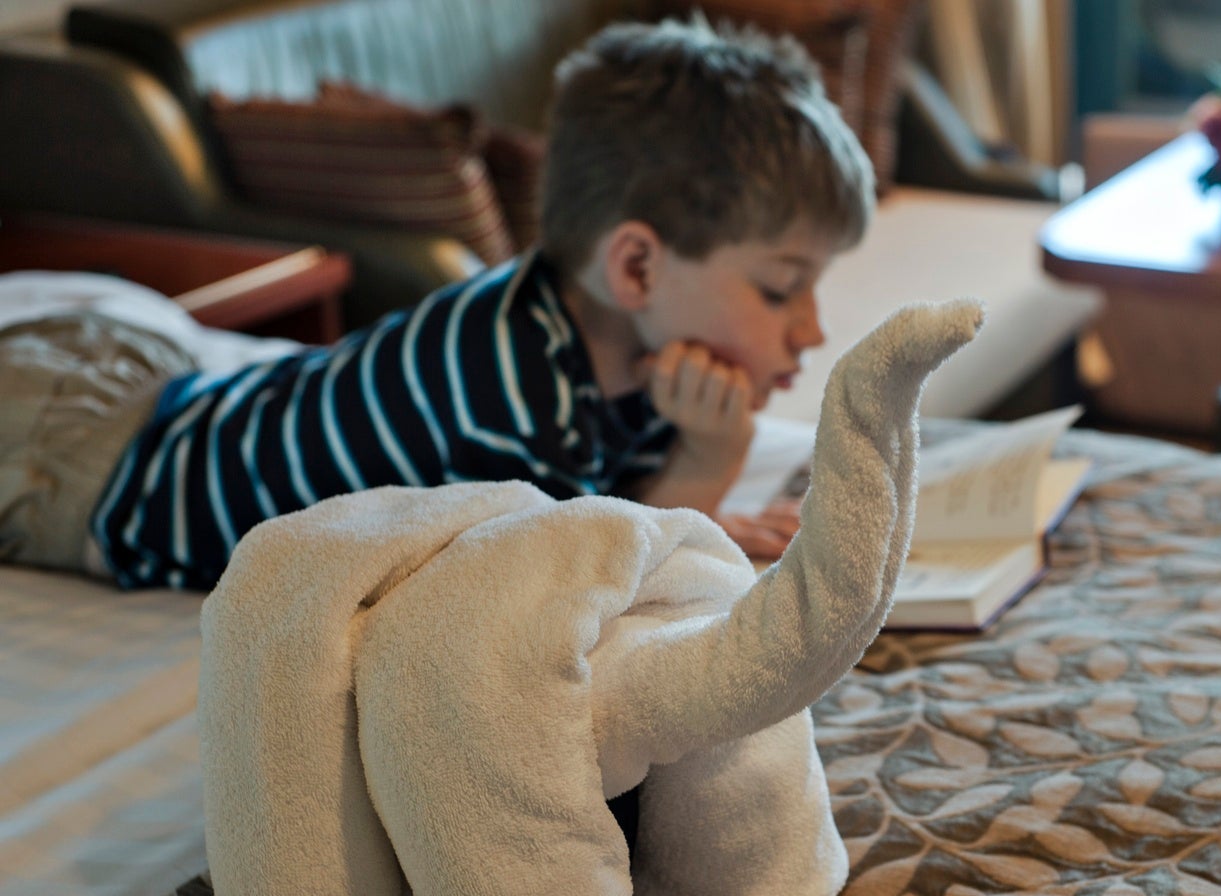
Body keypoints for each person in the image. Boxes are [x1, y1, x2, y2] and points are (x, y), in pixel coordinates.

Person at [0, 16, 873, 590]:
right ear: (637, 268)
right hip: (82, 463)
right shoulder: (509, 400)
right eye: (779, 287)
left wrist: (688, 496)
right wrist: (705, 467)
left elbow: (608, 504)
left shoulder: (623, 338)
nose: (811, 329)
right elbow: (591, 606)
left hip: (152, 380)